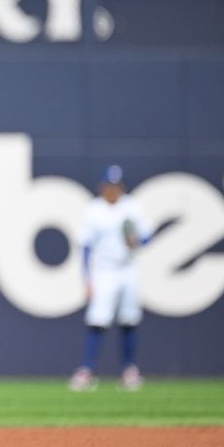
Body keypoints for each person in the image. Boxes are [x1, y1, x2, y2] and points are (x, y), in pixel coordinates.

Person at [69, 165, 153, 392]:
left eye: (116, 186)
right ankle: (87, 370)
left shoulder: (132, 207)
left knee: (129, 319)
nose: (112, 190)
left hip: (128, 267)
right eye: (109, 186)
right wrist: (87, 279)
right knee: (98, 319)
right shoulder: (94, 210)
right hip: (104, 269)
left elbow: (147, 237)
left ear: (122, 187)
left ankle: (129, 370)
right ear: (102, 186)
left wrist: (137, 241)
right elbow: (85, 247)